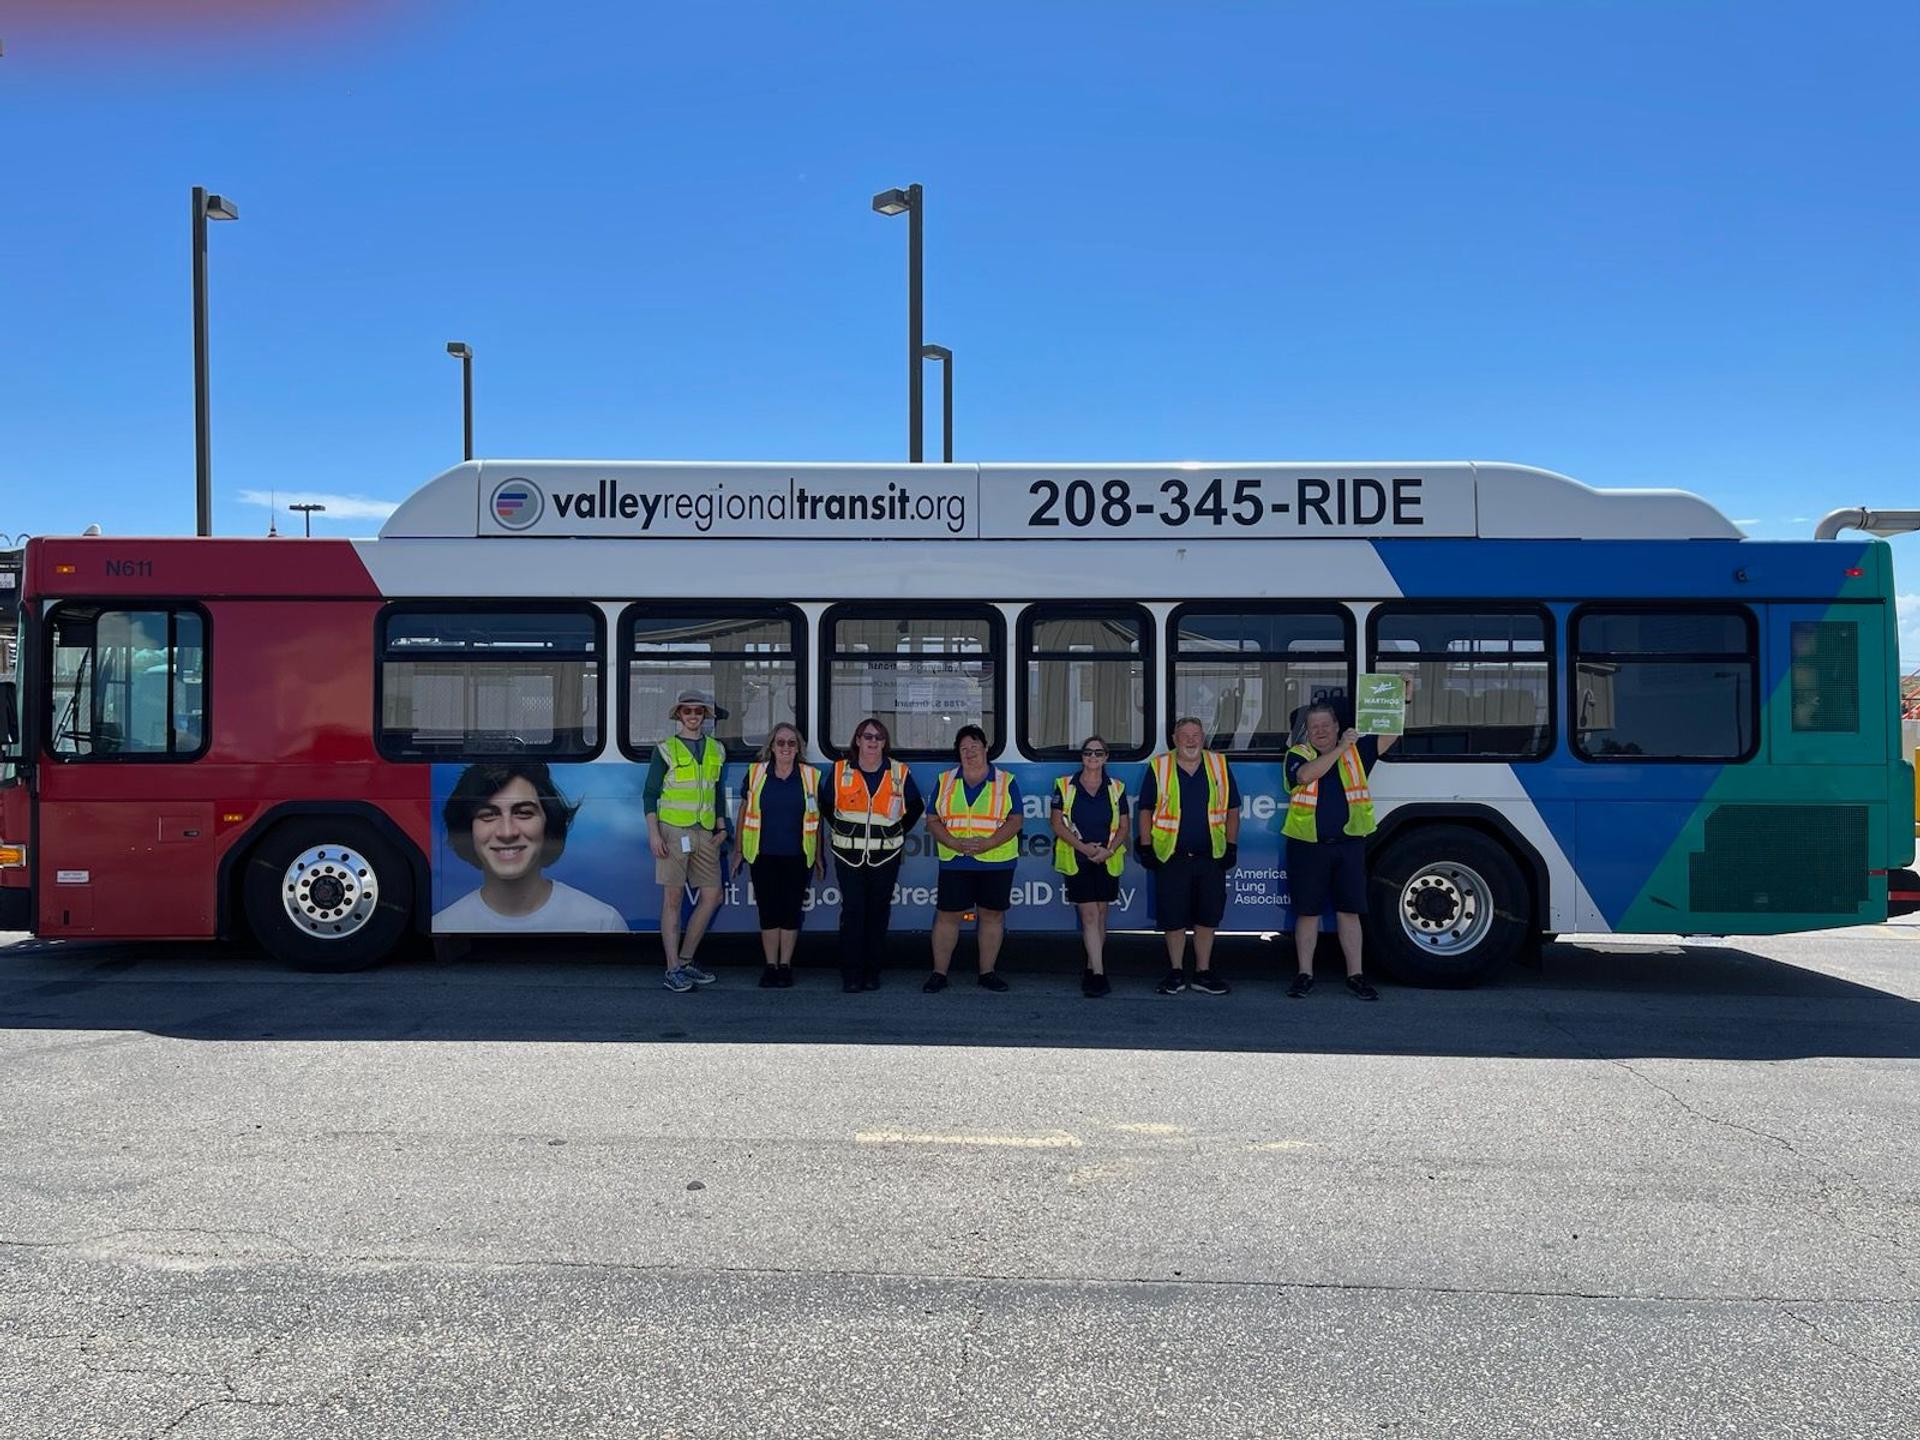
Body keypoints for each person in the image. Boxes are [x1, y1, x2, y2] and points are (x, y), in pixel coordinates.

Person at [1283, 702, 1399, 1001]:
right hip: (1308, 846)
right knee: (1307, 913)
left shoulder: (1360, 751)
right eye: (1314, 727)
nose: (1320, 731)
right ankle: (1304, 974)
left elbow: (1391, 733)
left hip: (1349, 845)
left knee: (1350, 912)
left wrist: (1402, 698)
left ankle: (1355, 976)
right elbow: (1305, 776)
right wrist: (1341, 748)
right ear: (1307, 732)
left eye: (1326, 725)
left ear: (1337, 727)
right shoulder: (1299, 754)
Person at [435, 761, 627, 933]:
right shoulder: (444, 925)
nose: (507, 832)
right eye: (488, 815)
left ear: (548, 824)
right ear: (468, 830)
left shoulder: (603, 923)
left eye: (523, 813)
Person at [1135, 716, 1240, 995]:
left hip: (1210, 856)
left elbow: (1232, 809)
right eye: (1185, 735)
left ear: (1203, 738)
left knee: (1207, 917)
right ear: (1174, 739)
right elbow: (1145, 809)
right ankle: (1176, 972)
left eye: (1196, 735)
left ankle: (1203, 973)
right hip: (1172, 856)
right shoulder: (1159, 766)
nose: (1191, 740)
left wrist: (1231, 845)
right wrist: (1146, 846)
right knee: (1173, 917)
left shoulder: (1219, 765)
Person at [819, 716, 924, 993]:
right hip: (847, 856)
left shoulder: (899, 772)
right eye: (867, 736)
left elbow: (915, 806)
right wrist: (845, 828)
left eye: (878, 737)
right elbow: (826, 805)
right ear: (857, 740)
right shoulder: (842, 770)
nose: (873, 742)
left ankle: (872, 973)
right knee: (853, 913)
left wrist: (897, 831)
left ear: (885, 743)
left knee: (878, 914)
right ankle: (851, 974)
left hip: (885, 856)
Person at [924, 724, 1024, 992]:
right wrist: (954, 843)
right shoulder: (945, 781)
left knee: (991, 916)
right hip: (956, 860)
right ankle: (939, 974)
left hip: (997, 860)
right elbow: (932, 820)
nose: (969, 753)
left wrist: (989, 843)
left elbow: (1015, 821)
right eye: (964, 748)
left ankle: (987, 973)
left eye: (974, 747)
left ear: (986, 749)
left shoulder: (1006, 781)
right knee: (948, 916)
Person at [646, 689, 730, 993]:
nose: (693, 716)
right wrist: (654, 833)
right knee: (673, 900)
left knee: (713, 896)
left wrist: (722, 828)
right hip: (672, 832)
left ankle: (685, 960)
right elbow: (650, 795)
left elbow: (716, 791)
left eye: (698, 711)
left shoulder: (716, 750)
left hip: (705, 832)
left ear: (704, 716)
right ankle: (672, 969)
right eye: (687, 711)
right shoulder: (665, 750)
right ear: (678, 715)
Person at [729, 722, 824, 988]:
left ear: (798, 748)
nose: (785, 747)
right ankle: (770, 966)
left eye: (791, 743)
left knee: (791, 912)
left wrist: (817, 855)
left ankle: (785, 966)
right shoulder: (756, 774)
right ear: (771, 746)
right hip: (762, 855)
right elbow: (743, 813)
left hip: (797, 855)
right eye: (780, 742)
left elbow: (817, 820)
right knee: (769, 912)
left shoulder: (810, 776)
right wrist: (738, 850)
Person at [1049, 734, 1128, 997]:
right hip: (1077, 858)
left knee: (1102, 914)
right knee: (1090, 915)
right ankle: (1098, 974)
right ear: (1082, 757)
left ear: (1106, 757)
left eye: (1098, 753)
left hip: (1107, 858)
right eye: (1087, 753)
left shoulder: (1117, 787)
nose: (1092, 757)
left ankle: (1091, 964)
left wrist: (1109, 850)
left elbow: (1124, 825)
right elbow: (1057, 824)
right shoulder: (1064, 785)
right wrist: (1084, 848)